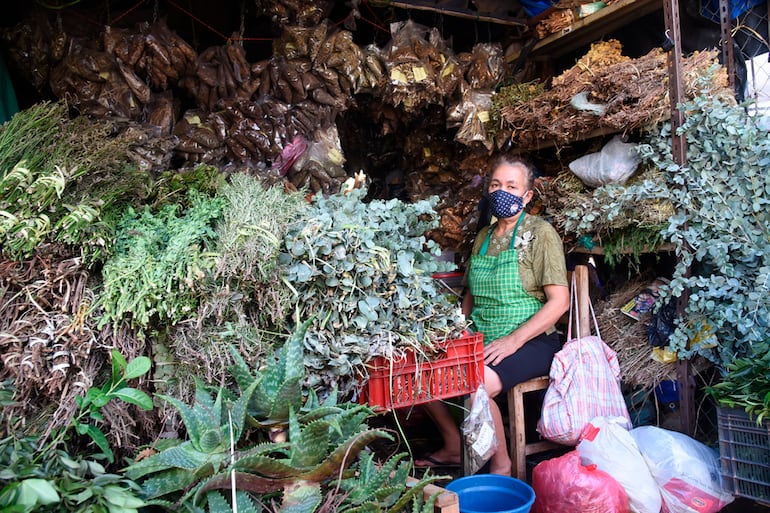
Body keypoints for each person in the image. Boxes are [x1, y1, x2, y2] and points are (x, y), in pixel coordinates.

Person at [414, 156, 569, 475]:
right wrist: (456, 329)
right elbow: (471, 294)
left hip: (532, 341)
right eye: (496, 185)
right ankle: (454, 444)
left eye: (512, 186)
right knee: (419, 372)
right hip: (482, 337)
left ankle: (502, 466)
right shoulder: (484, 236)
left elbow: (559, 301)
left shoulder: (541, 233)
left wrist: (513, 340)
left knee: (476, 383)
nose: (502, 192)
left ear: (527, 196)